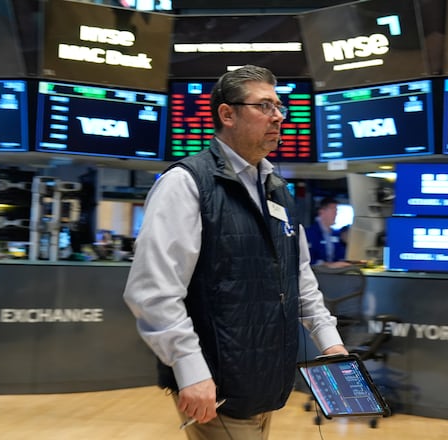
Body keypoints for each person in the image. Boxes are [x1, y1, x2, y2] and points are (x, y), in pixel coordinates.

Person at [123, 65, 346, 439]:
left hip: (265, 383)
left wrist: (330, 341)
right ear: (227, 114)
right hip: (216, 388)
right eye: (264, 106)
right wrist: (190, 368)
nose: (278, 116)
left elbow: (299, 276)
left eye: (279, 106)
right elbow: (153, 292)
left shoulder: (277, 188)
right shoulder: (186, 184)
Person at [305, 197, 346, 266]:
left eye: (336, 211)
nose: (336, 214)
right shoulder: (309, 233)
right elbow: (308, 259)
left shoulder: (335, 234)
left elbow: (340, 255)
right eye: (333, 210)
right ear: (322, 212)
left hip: (334, 273)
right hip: (317, 273)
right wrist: (328, 265)